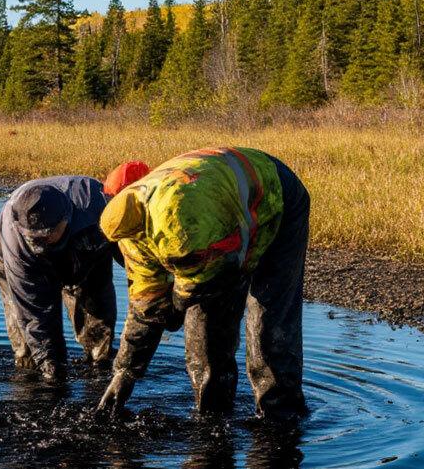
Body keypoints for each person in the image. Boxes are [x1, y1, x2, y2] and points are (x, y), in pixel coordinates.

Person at [95, 147, 310, 418]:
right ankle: (213, 414)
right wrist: (125, 373)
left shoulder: (180, 216)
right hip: (222, 209)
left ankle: (281, 415)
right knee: (205, 333)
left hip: (275, 196)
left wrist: (178, 302)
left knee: (268, 319)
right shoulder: (131, 233)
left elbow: (208, 275)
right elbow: (145, 305)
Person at [0, 176, 116, 379]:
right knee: (30, 348)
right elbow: (34, 315)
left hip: (86, 247)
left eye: (46, 236)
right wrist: (52, 369)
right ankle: (35, 387)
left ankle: (100, 377)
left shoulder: (100, 206)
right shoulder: (17, 244)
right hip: (18, 265)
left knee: (99, 332)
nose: (39, 245)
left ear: (65, 219)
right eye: (33, 237)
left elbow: (130, 250)